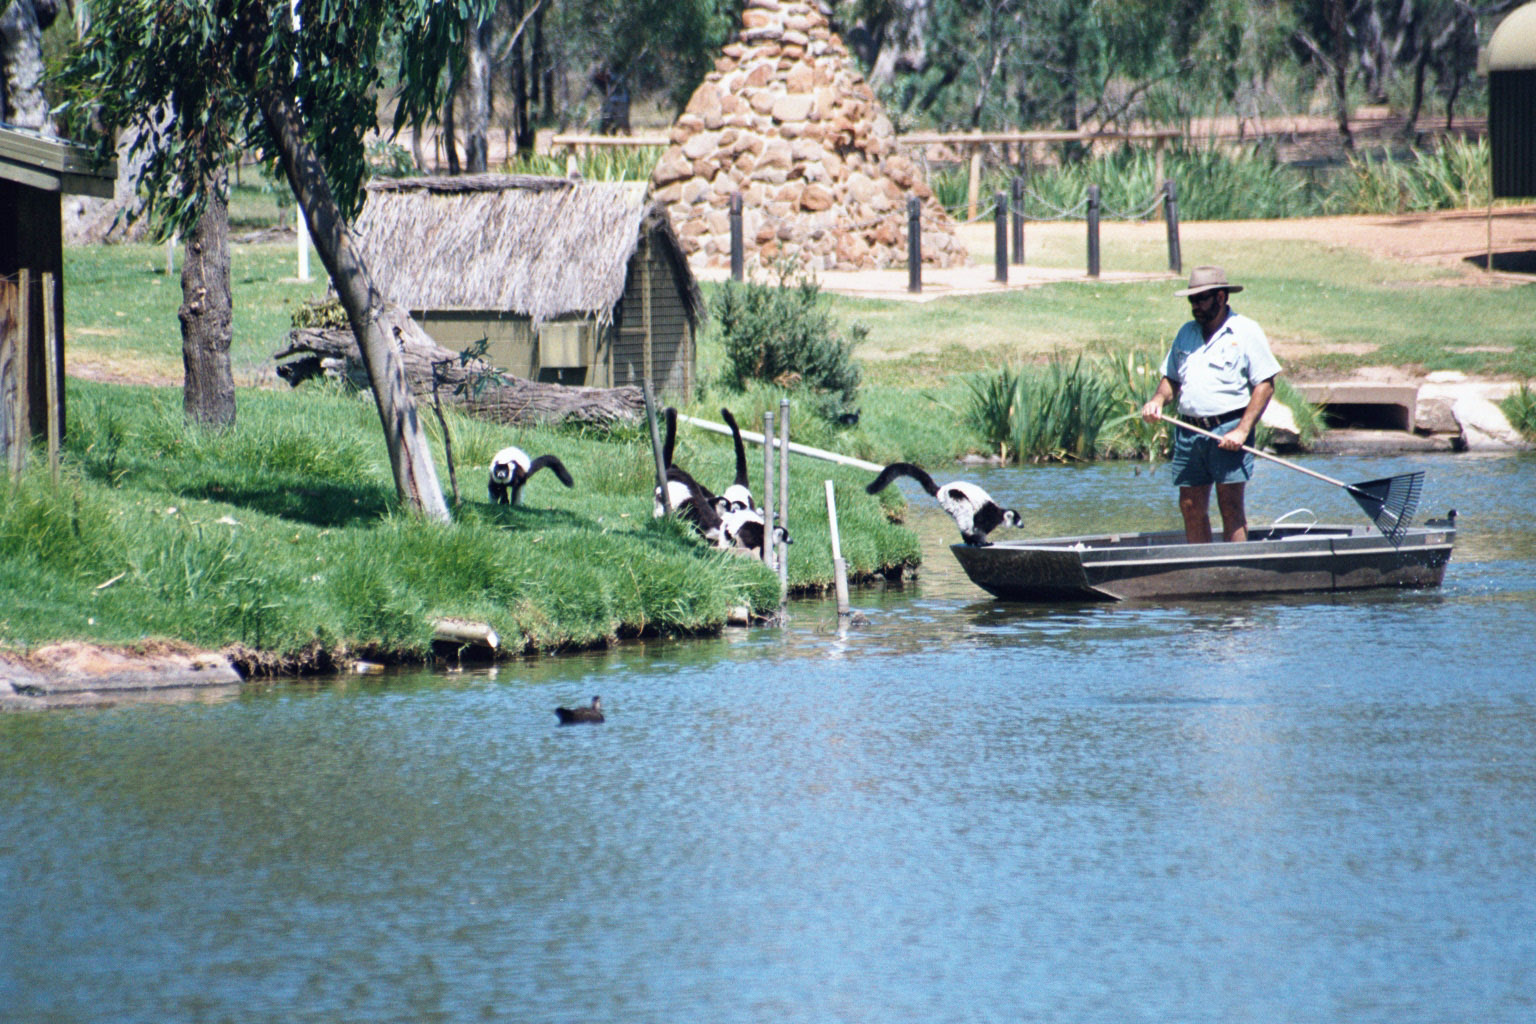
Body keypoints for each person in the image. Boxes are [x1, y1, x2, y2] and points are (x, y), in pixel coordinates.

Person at [1140, 265, 1281, 544]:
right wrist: (1157, 400)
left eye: (1201, 299)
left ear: (1220, 297)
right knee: (1190, 506)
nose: (1195, 307)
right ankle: (1201, 568)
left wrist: (1242, 430)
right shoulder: (1186, 333)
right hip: (1188, 432)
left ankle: (1236, 573)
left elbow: (1265, 384)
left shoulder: (1245, 331)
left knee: (1230, 507)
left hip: (1228, 430)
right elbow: (1171, 379)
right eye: (1192, 300)